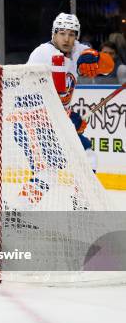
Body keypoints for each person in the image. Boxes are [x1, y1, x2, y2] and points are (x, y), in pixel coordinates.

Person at [23, 13, 113, 205]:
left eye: (72, 34)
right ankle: (17, 211)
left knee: (87, 155)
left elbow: (108, 68)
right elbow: (28, 94)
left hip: (55, 119)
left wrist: (95, 57)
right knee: (49, 170)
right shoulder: (42, 53)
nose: (67, 38)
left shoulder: (78, 49)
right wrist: (67, 119)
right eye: (62, 33)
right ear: (54, 34)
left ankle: (80, 204)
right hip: (30, 119)